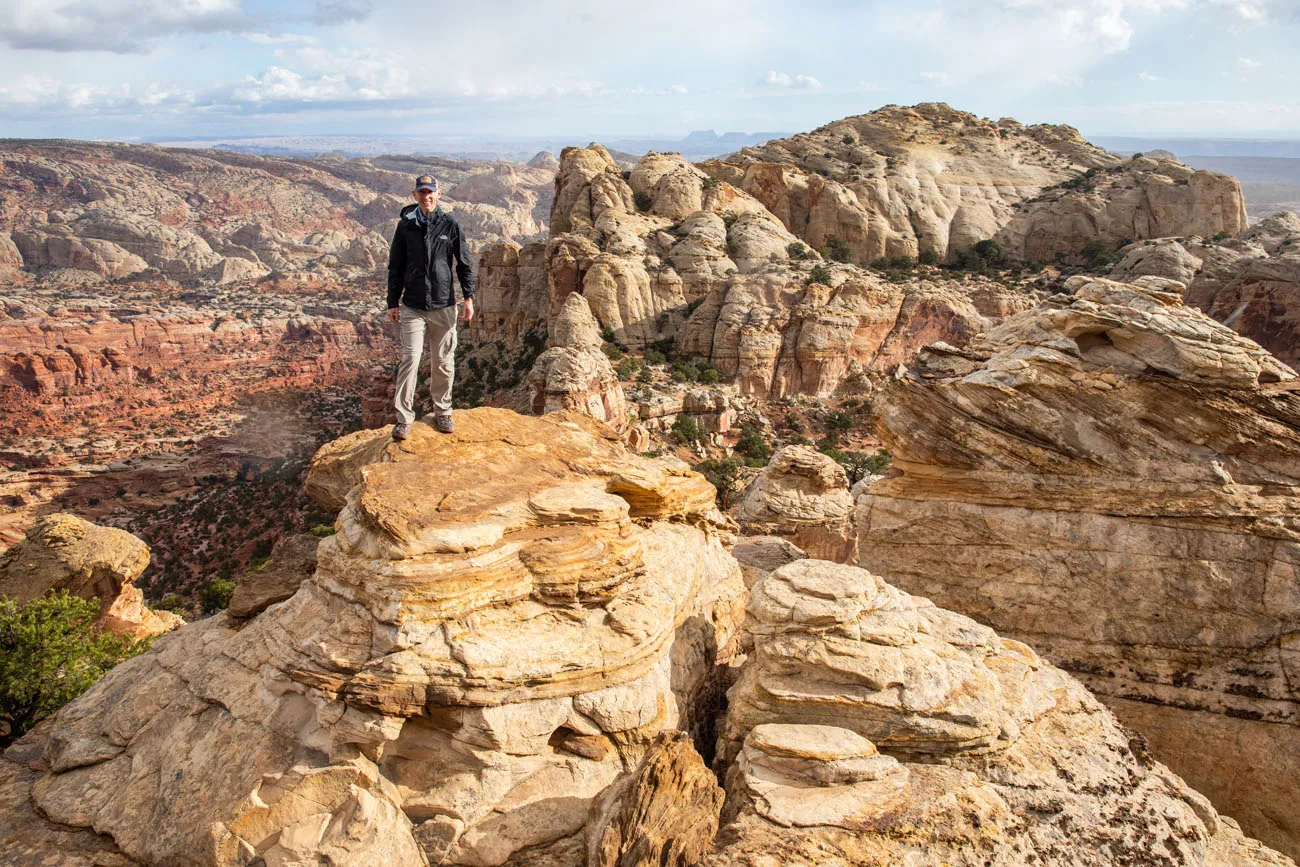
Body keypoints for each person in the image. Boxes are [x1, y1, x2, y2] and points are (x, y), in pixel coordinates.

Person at [387, 174, 475, 439]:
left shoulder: (450, 224)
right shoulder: (405, 226)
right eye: (422, 192)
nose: (426, 197)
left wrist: (469, 297)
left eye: (430, 192)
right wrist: (393, 302)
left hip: (444, 305)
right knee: (410, 360)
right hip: (412, 305)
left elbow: (464, 263)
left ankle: (443, 412)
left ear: (439, 194)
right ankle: (404, 419)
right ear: (414, 195)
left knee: (443, 362)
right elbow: (396, 266)